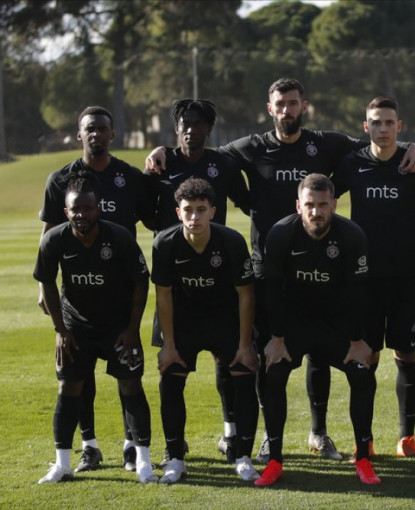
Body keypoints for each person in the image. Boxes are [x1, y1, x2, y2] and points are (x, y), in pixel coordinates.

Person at [145, 78, 415, 463]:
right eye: (281, 104)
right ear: (270, 108)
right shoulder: (251, 147)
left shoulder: (325, 143)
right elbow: (203, 153)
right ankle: (267, 438)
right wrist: (163, 150)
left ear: (303, 106)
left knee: (319, 353)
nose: (287, 110)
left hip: (319, 263)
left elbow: (376, 142)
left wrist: (411, 146)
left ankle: (318, 433)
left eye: (293, 103)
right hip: (269, 270)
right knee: (267, 354)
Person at [38, 106, 152, 473]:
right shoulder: (60, 179)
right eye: (89, 129)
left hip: (120, 295)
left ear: (112, 134)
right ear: (79, 134)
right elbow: (49, 234)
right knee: (78, 375)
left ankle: (132, 446)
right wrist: (44, 287)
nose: (96, 134)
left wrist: (160, 159)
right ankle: (88, 445)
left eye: (102, 128)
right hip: (79, 295)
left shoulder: (129, 177)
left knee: (127, 377)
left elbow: (158, 216)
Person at [254, 174, 379, 487]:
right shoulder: (281, 234)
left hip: (335, 325)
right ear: (298, 206)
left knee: (362, 373)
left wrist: (357, 341)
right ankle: (274, 459)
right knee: (274, 371)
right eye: (309, 205)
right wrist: (277, 338)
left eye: (323, 205)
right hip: (294, 325)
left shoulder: (352, 235)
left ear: (334, 205)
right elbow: (273, 290)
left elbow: (359, 293)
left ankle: (363, 459)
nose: (316, 212)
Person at [144, 99, 248, 467]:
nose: (191, 129)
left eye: (198, 123)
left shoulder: (223, 164)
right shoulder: (160, 164)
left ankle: (231, 435)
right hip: (176, 283)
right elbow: (141, 211)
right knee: (172, 369)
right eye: (185, 124)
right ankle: (174, 447)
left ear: (209, 128)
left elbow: (251, 202)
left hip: (219, 282)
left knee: (228, 365)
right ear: (176, 129)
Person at [332, 97, 415, 460]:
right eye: (376, 122)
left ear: (399, 126)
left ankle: (407, 439)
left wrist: (408, 220)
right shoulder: (352, 164)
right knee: (366, 356)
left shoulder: (413, 163)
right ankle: (366, 440)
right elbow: (327, 195)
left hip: (405, 279)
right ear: (366, 127)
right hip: (365, 281)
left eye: (390, 122)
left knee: (407, 353)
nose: (383, 129)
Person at [152, 178, 257, 484]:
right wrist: (169, 345)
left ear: (213, 211)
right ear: (178, 212)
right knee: (171, 379)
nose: (194, 216)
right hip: (184, 320)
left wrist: (245, 345)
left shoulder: (232, 242)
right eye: (188, 210)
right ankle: (175, 459)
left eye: (201, 209)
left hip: (224, 318)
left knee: (243, 376)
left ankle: (244, 458)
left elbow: (246, 294)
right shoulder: (165, 244)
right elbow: (163, 296)